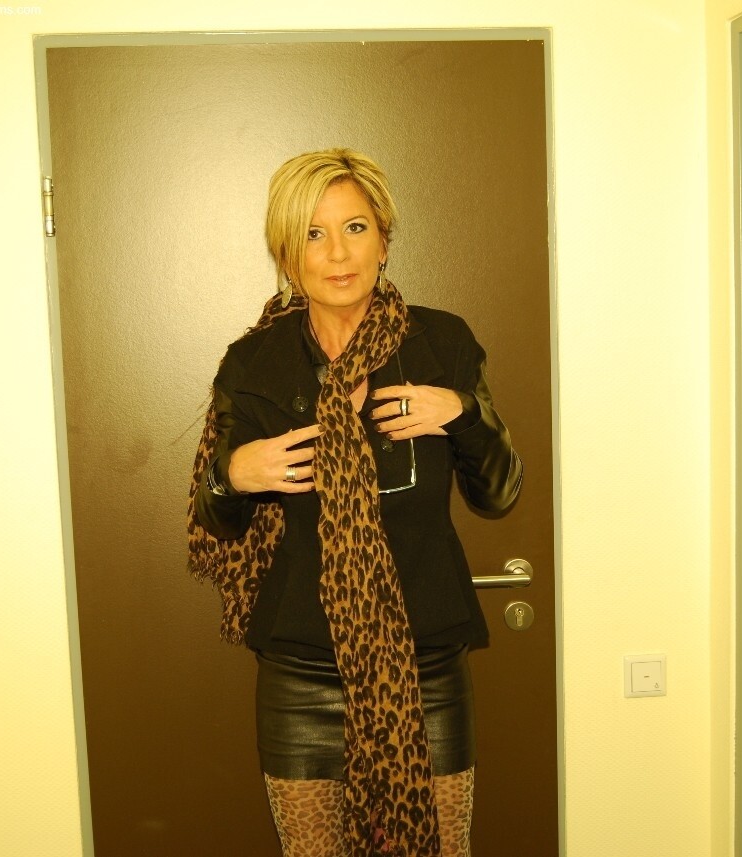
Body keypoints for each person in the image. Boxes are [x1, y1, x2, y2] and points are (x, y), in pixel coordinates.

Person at [187, 148, 522, 857]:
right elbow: (217, 522)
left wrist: (462, 414)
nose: (337, 253)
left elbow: (498, 494)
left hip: (426, 671)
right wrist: (234, 474)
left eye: (355, 228)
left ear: (384, 240)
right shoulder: (255, 364)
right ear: (288, 254)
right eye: (313, 234)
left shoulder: (442, 344)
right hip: (301, 677)